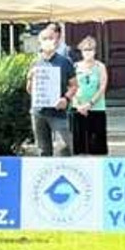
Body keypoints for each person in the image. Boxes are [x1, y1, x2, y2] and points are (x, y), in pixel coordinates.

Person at [27, 25, 77, 157]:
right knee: (43, 150)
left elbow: (74, 85)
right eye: (44, 38)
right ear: (40, 42)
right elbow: (30, 90)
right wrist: (30, 79)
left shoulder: (65, 62)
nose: (48, 41)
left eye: (50, 38)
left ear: (57, 40)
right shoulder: (35, 62)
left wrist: (66, 99)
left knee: (64, 148)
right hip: (39, 112)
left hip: (58, 111)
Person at [70, 36, 109, 156]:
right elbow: (71, 86)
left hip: (97, 107)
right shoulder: (75, 67)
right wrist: (80, 105)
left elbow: (102, 86)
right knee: (79, 142)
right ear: (81, 52)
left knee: (96, 142)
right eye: (85, 50)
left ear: (95, 51)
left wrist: (90, 104)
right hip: (78, 107)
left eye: (91, 49)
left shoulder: (100, 66)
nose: (88, 52)